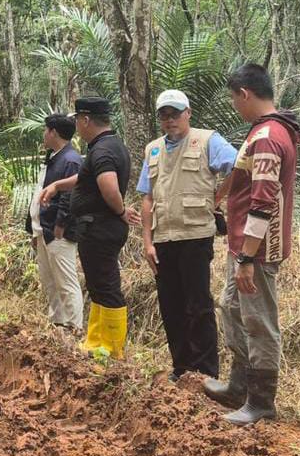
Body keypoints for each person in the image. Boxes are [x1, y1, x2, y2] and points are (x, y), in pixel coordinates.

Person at [203, 64, 300, 425]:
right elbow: (241, 176)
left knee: (258, 320)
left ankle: (261, 401)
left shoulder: (268, 137)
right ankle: (239, 385)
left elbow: (263, 202)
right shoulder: (263, 130)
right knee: (232, 307)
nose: (234, 105)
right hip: (242, 244)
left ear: (245, 94)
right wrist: (220, 197)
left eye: (234, 98)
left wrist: (247, 256)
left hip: (255, 249)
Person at [137, 90, 238, 380]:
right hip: (163, 238)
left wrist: (217, 196)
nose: (170, 121)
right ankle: (180, 368)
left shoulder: (207, 140)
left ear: (188, 113)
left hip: (195, 235)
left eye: (175, 114)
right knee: (171, 305)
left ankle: (206, 372)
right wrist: (147, 241)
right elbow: (147, 198)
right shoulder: (153, 149)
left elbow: (237, 166)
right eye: (164, 115)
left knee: (198, 305)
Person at [41, 97, 135, 358]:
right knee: (97, 285)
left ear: (85, 120)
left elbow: (108, 186)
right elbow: (85, 177)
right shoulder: (106, 146)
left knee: (106, 286)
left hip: (101, 226)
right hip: (97, 227)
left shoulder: (103, 150)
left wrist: (120, 211)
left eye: (77, 122)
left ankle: (113, 348)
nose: (76, 128)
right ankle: (96, 342)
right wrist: (59, 185)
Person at [25, 114, 84, 335]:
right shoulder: (53, 157)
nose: (43, 135)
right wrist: (34, 228)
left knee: (66, 281)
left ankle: (74, 326)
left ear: (54, 133)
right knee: (50, 281)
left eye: (45, 130)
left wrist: (61, 224)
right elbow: (40, 192)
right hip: (43, 230)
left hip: (58, 232)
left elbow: (70, 196)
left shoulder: (70, 160)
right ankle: (58, 324)